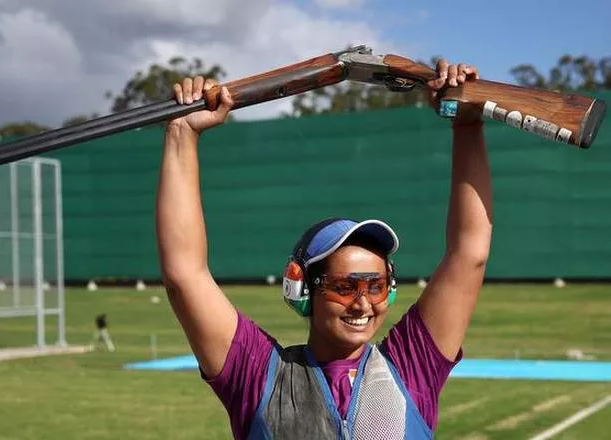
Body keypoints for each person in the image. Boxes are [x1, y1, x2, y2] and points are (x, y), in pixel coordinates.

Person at [156, 59, 492, 439]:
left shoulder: (412, 367)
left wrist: (467, 126)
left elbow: (469, 253)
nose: (363, 304)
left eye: (375, 286)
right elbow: (185, 275)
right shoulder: (257, 376)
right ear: (302, 289)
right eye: (345, 287)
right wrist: (182, 134)